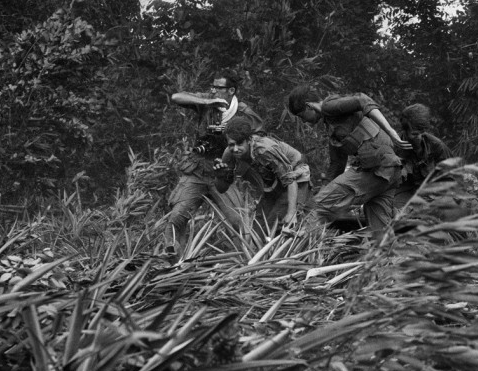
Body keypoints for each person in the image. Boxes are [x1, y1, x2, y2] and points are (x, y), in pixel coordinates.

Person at [286, 85, 410, 237]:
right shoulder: (332, 127)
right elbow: (337, 165)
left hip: (378, 168)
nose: (304, 122)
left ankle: (298, 251)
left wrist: (391, 131)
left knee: (316, 208)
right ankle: (389, 260)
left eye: (301, 116)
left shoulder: (328, 106)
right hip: (389, 174)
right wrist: (324, 190)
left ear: (309, 106)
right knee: (380, 234)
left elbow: (362, 100)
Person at [164, 71, 263, 255]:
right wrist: (207, 102)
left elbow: (257, 133)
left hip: (223, 171)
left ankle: (245, 259)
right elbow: (177, 97)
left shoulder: (242, 111)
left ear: (231, 90)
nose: (214, 91)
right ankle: (173, 259)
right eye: (213, 87)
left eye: (219, 88)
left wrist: (234, 134)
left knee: (238, 220)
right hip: (197, 168)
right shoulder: (206, 101)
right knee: (177, 216)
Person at [215, 117, 311, 229]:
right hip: (274, 184)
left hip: (296, 177)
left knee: (275, 226)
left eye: (240, 143)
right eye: (231, 144)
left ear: (249, 140)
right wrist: (220, 175)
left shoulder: (264, 150)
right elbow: (222, 189)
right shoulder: (229, 154)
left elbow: (290, 179)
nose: (235, 149)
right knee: (258, 229)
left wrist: (291, 213)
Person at [393, 103, 453, 211]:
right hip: (404, 194)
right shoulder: (394, 147)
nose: (419, 137)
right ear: (405, 131)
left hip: (432, 193)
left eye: (422, 133)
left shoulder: (437, 146)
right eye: (415, 134)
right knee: (397, 214)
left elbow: (451, 177)